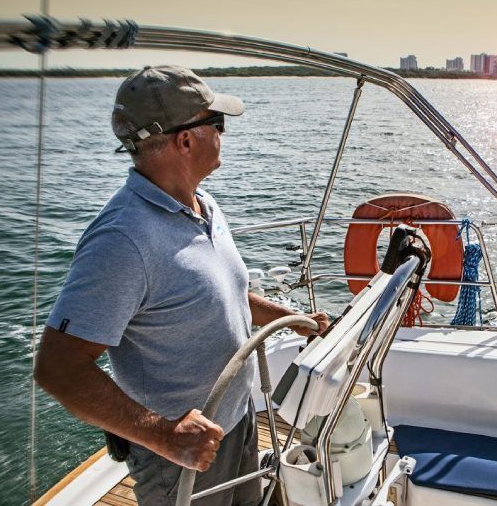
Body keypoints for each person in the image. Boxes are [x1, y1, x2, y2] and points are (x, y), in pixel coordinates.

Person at [34, 65, 329, 506]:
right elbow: (57, 367)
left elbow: (220, 297)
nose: (223, 134)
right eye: (217, 124)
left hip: (236, 419)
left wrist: (292, 319)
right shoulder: (122, 240)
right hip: (179, 454)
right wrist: (164, 435)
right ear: (185, 139)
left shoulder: (202, 204)